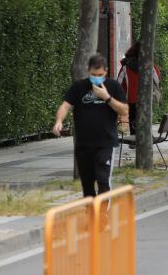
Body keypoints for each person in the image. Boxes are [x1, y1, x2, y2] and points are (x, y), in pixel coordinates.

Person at [53, 54, 129, 198]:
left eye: (100, 74)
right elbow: (65, 106)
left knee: (103, 180)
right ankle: (90, 215)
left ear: (106, 71)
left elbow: (124, 110)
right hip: (84, 145)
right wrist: (59, 121)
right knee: (87, 185)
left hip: (105, 143)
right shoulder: (79, 87)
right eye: (93, 75)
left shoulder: (113, 86)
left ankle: (102, 216)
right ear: (88, 71)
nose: (97, 77)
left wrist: (107, 97)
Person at [116, 42, 161, 134]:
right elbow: (157, 79)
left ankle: (134, 138)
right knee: (146, 117)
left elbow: (118, 82)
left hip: (131, 97)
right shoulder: (149, 65)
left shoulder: (126, 66)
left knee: (132, 118)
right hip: (146, 97)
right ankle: (146, 137)